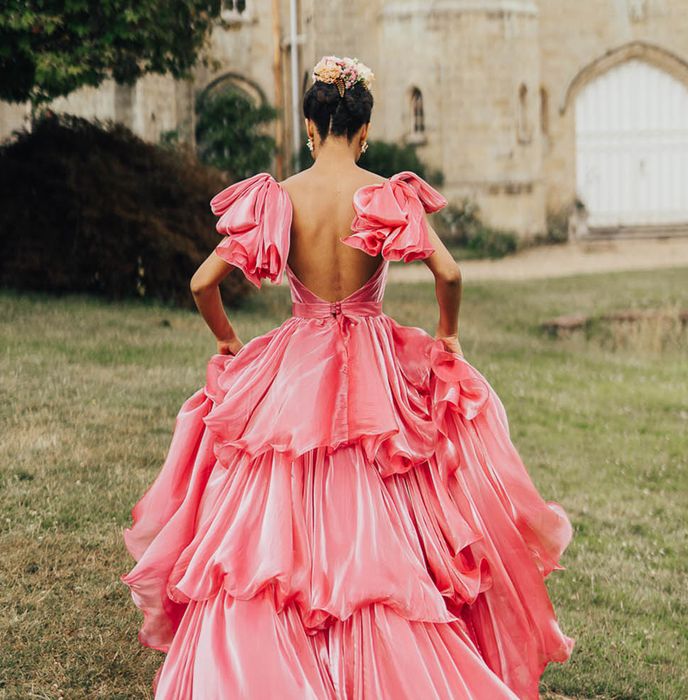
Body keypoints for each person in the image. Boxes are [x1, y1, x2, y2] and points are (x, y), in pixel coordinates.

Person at [120, 55, 575, 700]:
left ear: (310, 125)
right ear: (364, 131)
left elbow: (201, 282)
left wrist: (227, 339)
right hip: (371, 364)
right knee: (377, 500)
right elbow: (449, 273)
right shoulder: (385, 195)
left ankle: (279, 658)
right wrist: (447, 335)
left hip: (297, 360)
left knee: (277, 509)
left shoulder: (279, 197)